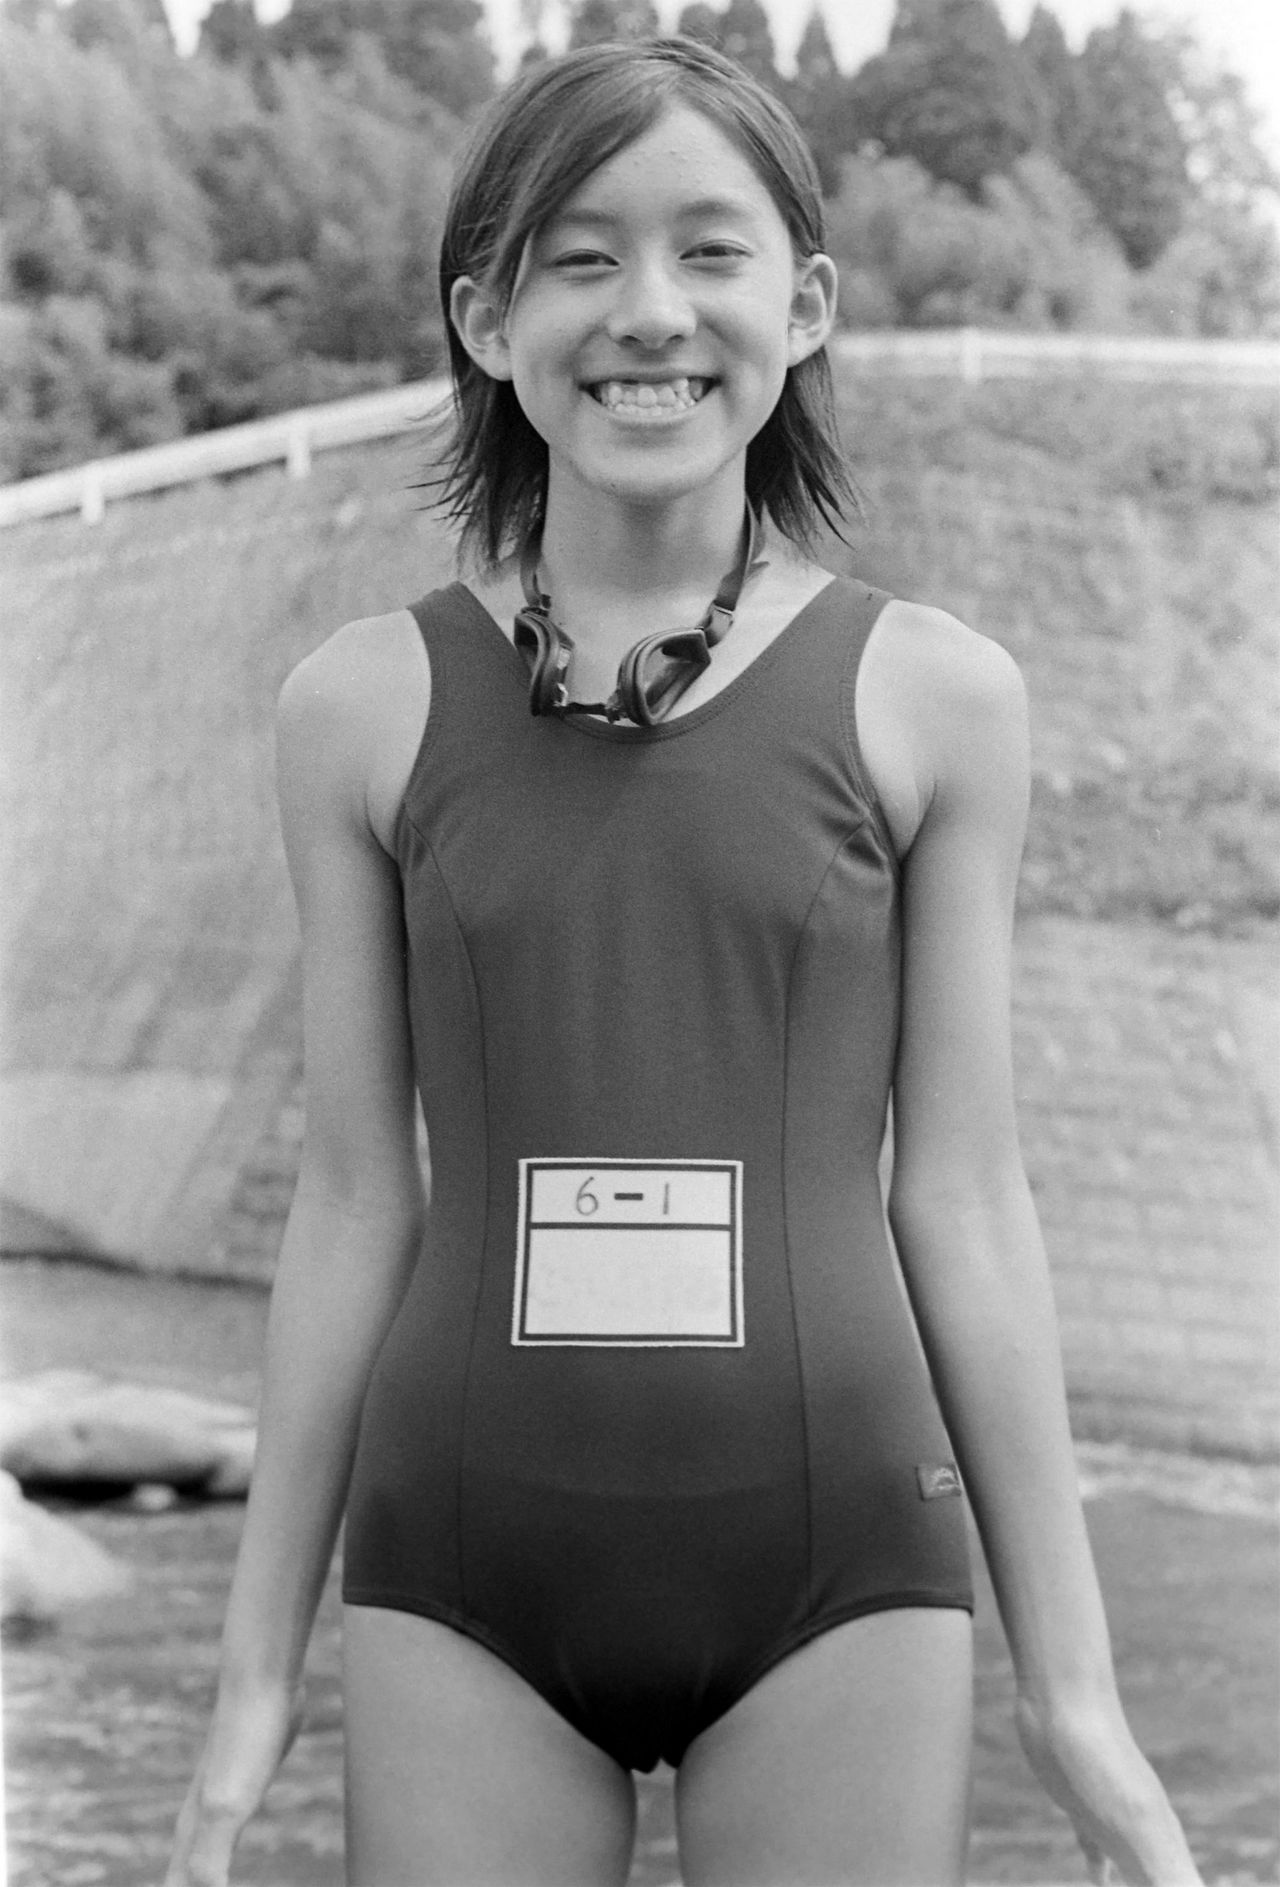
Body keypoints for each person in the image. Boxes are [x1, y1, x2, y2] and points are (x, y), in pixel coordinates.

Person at [166, 37, 1204, 1887]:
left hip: (839, 1571)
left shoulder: (937, 698)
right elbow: (352, 1200)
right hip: (461, 1568)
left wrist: (1077, 1693)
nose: (650, 310)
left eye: (711, 251)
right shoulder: (359, 708)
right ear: (486, 320)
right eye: (580, 257)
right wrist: (253, 1678)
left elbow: (964, 1195)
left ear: (803, 304)